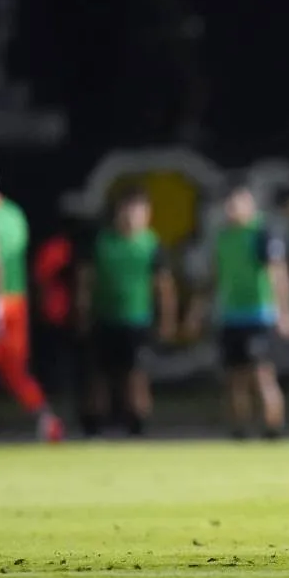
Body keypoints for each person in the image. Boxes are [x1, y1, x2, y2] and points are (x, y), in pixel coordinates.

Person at [185, 182, 289, 439]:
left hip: (259, 316)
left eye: (238, 202)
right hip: (230, 317)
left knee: (262, 375)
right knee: (235, 378)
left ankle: (273, 430)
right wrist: (196, 311)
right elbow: (213, 277)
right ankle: (240, 432)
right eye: (229, 204)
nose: (233, 208)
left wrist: (284, 312)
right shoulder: (223, 238)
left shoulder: (262, 233)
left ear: (250, 204)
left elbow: (278, 275)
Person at [77, 186, 178, 436]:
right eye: (127, 210)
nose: (132, 217)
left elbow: (164, 288)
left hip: (137, 321)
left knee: (135, 377)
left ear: (148, 214)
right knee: (99, 377)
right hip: (104, 318)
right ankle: (94, 428)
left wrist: (167, 321)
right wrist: (82, 312)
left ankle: (137, 427)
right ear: (117, 212)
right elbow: (85, 281)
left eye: (139, 211)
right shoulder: (101, 241)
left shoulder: (152, 245)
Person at [0, 181, 64, 442]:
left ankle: (47, 421)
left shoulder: (8, 217)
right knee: (15, 371)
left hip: (6, 302)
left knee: (14, 370)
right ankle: (47, 421)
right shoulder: (15, 213)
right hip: (15, 302)